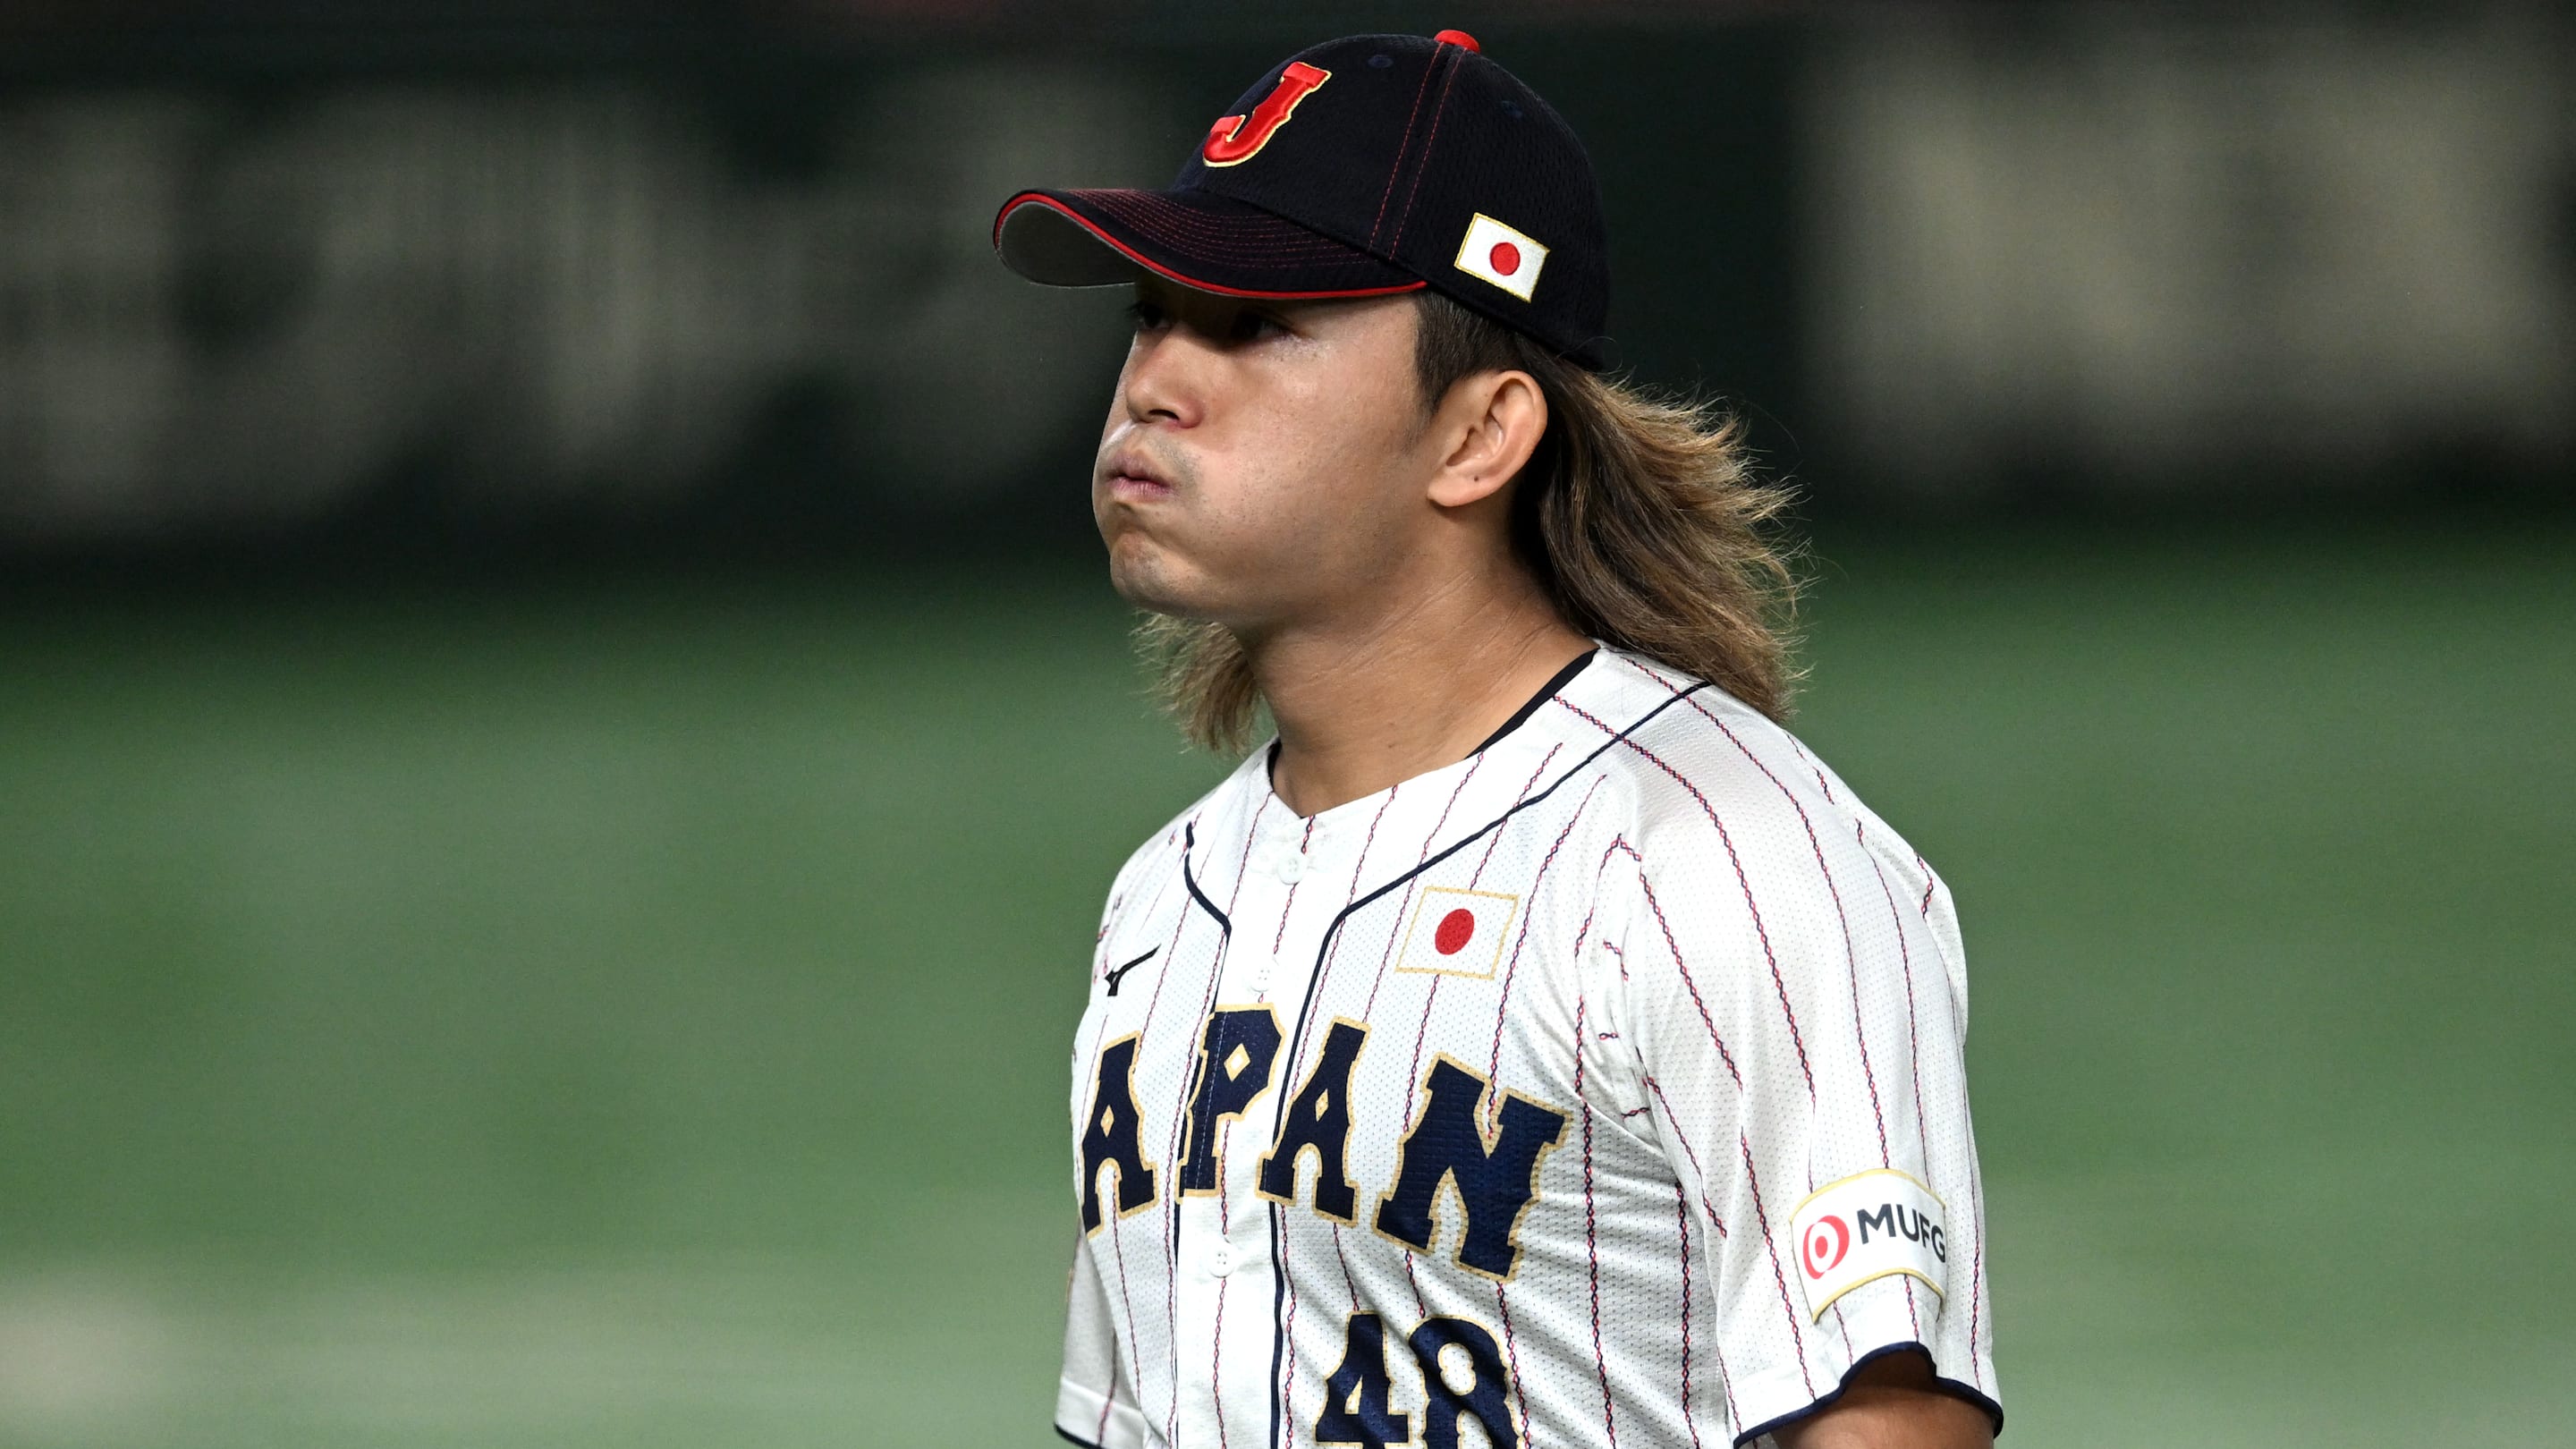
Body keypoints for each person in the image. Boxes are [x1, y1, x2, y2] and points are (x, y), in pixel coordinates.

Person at [991, 29, 1999, 1449]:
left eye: (1259, 325)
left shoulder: (1723, 862)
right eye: (1154, 314)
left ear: (1478, 436)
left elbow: (1888, 1419)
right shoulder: (1161, 903)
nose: (1157, 378)